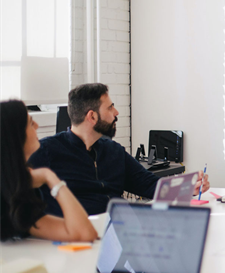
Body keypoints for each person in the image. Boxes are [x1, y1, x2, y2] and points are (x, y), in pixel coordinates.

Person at [29, 83, 210, 216]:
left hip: (122, 231)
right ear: (92, 116)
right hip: (78, 241)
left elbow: (151, 186)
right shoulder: (46, 152)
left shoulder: (114, 151)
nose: (116, 112)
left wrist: (187, 186)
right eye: (110, 107)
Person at [0, 100, 97, 242]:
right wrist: (50, 178)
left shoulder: (17, 190)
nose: (37, 126)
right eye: (31, 123)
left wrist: (49, 176)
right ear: (16, 136)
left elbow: (84, 233)